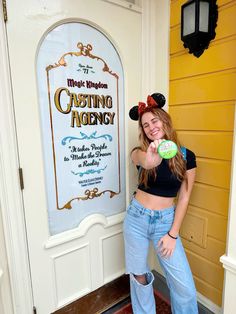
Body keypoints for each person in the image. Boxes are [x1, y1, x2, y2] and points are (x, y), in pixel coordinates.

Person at [123, 93, 198, 314]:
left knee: (184, 287)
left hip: (165, 223)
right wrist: (153, 155)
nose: (150, 127)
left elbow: (184, 196)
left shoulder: (186, 156)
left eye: (154, 120)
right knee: (140, 277)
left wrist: (173, 234)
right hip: (136, 220)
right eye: (145, 125)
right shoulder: (140, 153)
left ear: (165, 120)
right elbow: (147, 162)